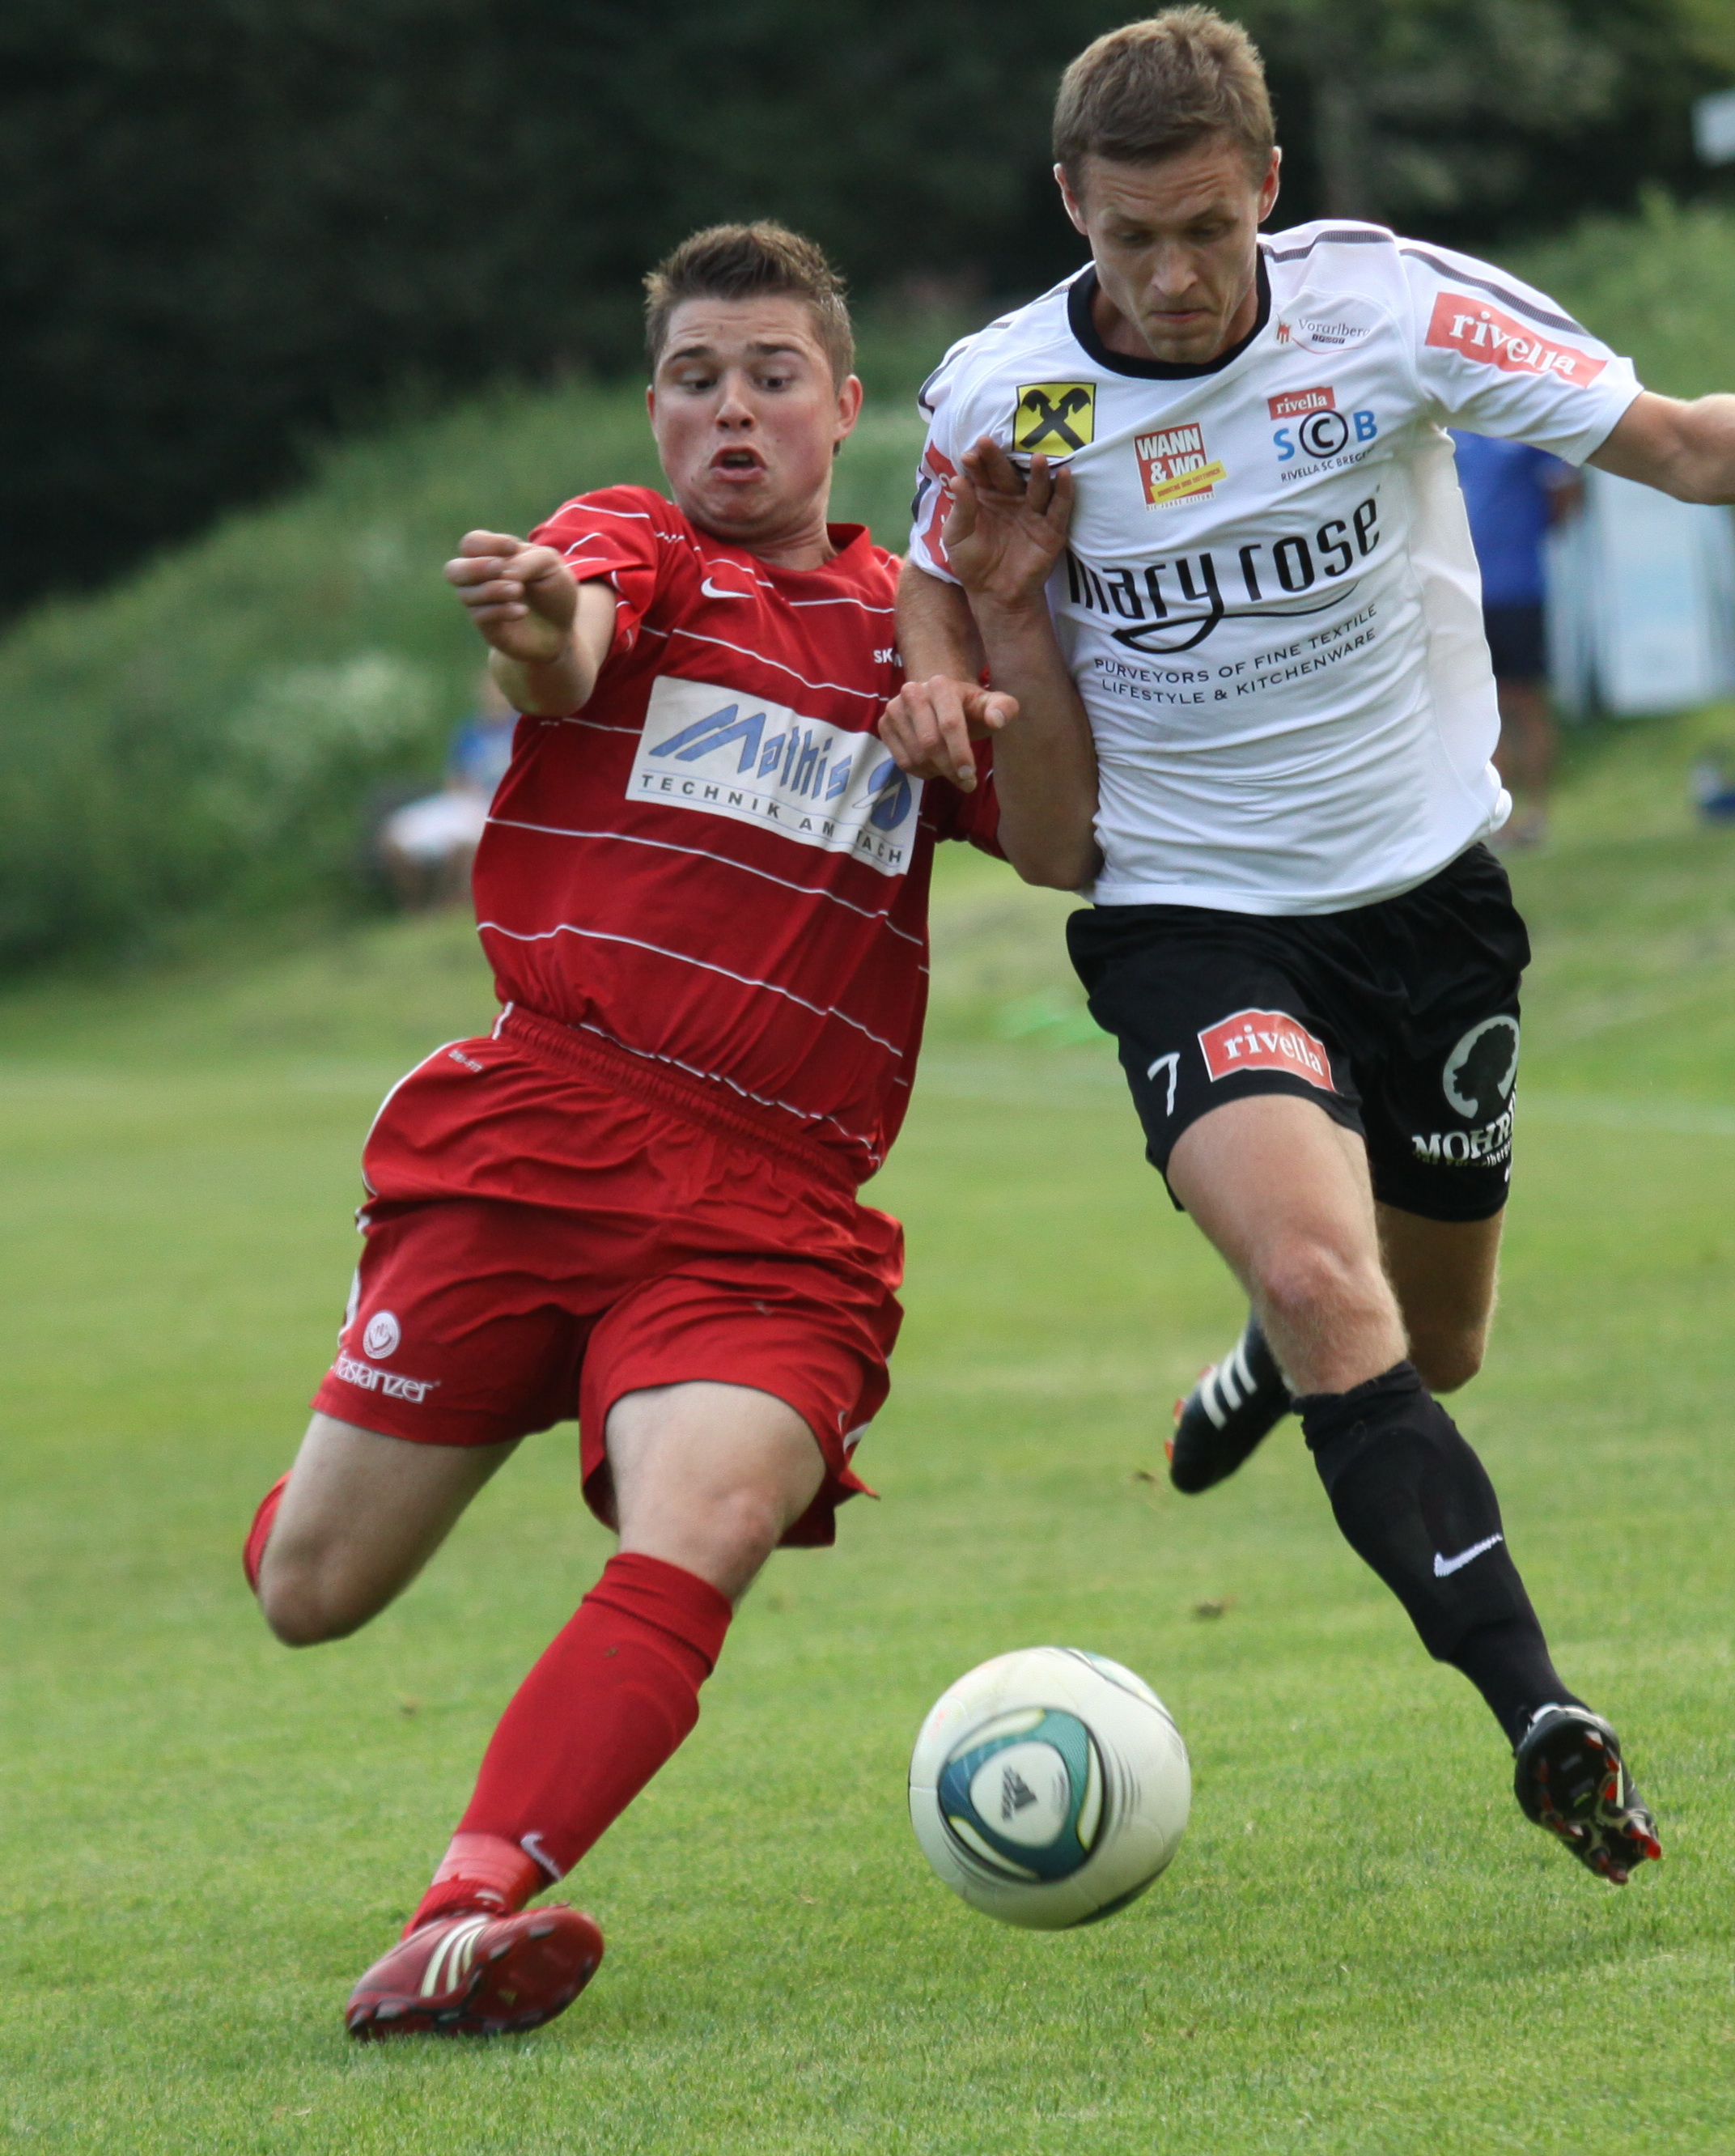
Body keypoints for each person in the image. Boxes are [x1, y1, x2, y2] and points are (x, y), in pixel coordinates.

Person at [883, 6, 1735, 1884]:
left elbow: (1665, 437)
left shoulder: (1385, 311)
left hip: (1427, 902)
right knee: (1334, 1285)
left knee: (1437, 1340)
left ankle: (1268, 1357)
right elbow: (935, 568)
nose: (1171, 278)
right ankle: (1540, 1714)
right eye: (1132, 237)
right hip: (1189, 915)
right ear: (1072, 204)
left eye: (1208, 229)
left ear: (1269, 188)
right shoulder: (1010, 390)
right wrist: (935, 682)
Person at [241, 221, 1095, 2039]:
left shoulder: (914, 622)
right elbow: (568, 649)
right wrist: (535, 616)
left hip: (772, 1204)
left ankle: (460, 1916)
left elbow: (1058, 845)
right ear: (656, 411)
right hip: (546, 1137)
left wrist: (980, 687)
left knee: (706, 1510)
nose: (733, 410)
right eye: (696, 379)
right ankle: (394, 1414)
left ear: (844, 407)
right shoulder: (639, 546)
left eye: (771, 376)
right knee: (313, 1591)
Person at [1450, 431, 1576, 846]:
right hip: (1464, 592)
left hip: (1519, 588)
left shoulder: (1524, 431)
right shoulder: (1452, 432)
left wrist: (1528, 532)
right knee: (1480, 705)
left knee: (1525, 700)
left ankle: (1536, 813)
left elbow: (1567, 489)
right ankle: (1498, 819)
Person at [375, 671, 519, 907]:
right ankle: (416, 908)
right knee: (395, 836)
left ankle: (448, 905)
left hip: (503, 804)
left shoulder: (521, 727)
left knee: (462, 845)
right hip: (466, 801)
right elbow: (454, 779)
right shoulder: (469, 732)